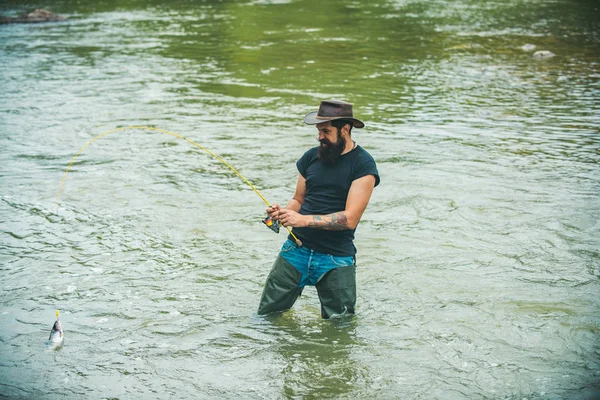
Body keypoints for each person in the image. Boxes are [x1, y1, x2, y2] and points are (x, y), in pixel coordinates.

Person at [257, 100, 380, 319]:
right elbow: (298, 199)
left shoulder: (363, 165)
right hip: (295, 250)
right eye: (318, 131)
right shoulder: (310, 157)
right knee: (266, 317)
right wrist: (283, 213)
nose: (319, 136)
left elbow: (350, 219)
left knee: (340, 329)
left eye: (325, 131)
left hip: (336, 258)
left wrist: (303, 220)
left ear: (345, 129)